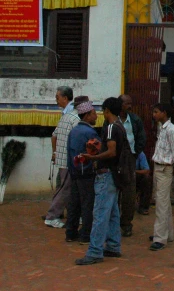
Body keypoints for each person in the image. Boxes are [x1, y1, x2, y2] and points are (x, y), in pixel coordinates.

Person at [75, 97, 126, 265]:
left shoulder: (111, 127)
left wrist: (93, 157)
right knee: (112, 212)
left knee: (100, 213)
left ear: (107, 111)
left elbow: (111, 152)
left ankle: (95, 250)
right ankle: (113, 245)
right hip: (115, 174)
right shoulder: (120, 126)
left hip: (106, 174)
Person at [65, 97, 99, 245]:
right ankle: (85, 234)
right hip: (87, 173)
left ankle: (70, 233)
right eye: (93, 113)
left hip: (74, 173)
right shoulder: (90, 133)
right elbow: (96, 153)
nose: (96, 115)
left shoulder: (74, 132)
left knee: (74, 204)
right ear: (86, 115)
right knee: (87, 205)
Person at [44, 86, 79, 228]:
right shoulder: (72, 116)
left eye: (57, 97)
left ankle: (64, 214)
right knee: (65, 188)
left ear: (65, 98)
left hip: (65, 157)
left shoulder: (68, 115)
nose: (56, 100)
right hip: (68, 158)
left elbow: (55, 135)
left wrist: (55, 152)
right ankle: (53, 215)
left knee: (65, 187)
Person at [150, 103, 174, 251]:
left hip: (165, 168)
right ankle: (166, 233)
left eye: (156, 112)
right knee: (163, 202)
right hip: (159, 166)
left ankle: (160, 238)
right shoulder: (161, 128)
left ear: (164, 113)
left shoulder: (171, 130)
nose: (154, 114)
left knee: (161, 204)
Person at [118, 94, 146, 238]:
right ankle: (114, 223)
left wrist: (134, 154)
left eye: (130, 103)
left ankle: (126, 224)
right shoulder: (113, 119)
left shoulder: (135, 120)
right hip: (115, 160)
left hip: (130, 160)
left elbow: (141, 139)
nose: (129, 106)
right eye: (126, 103)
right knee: (114, 194)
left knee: (129, 195)